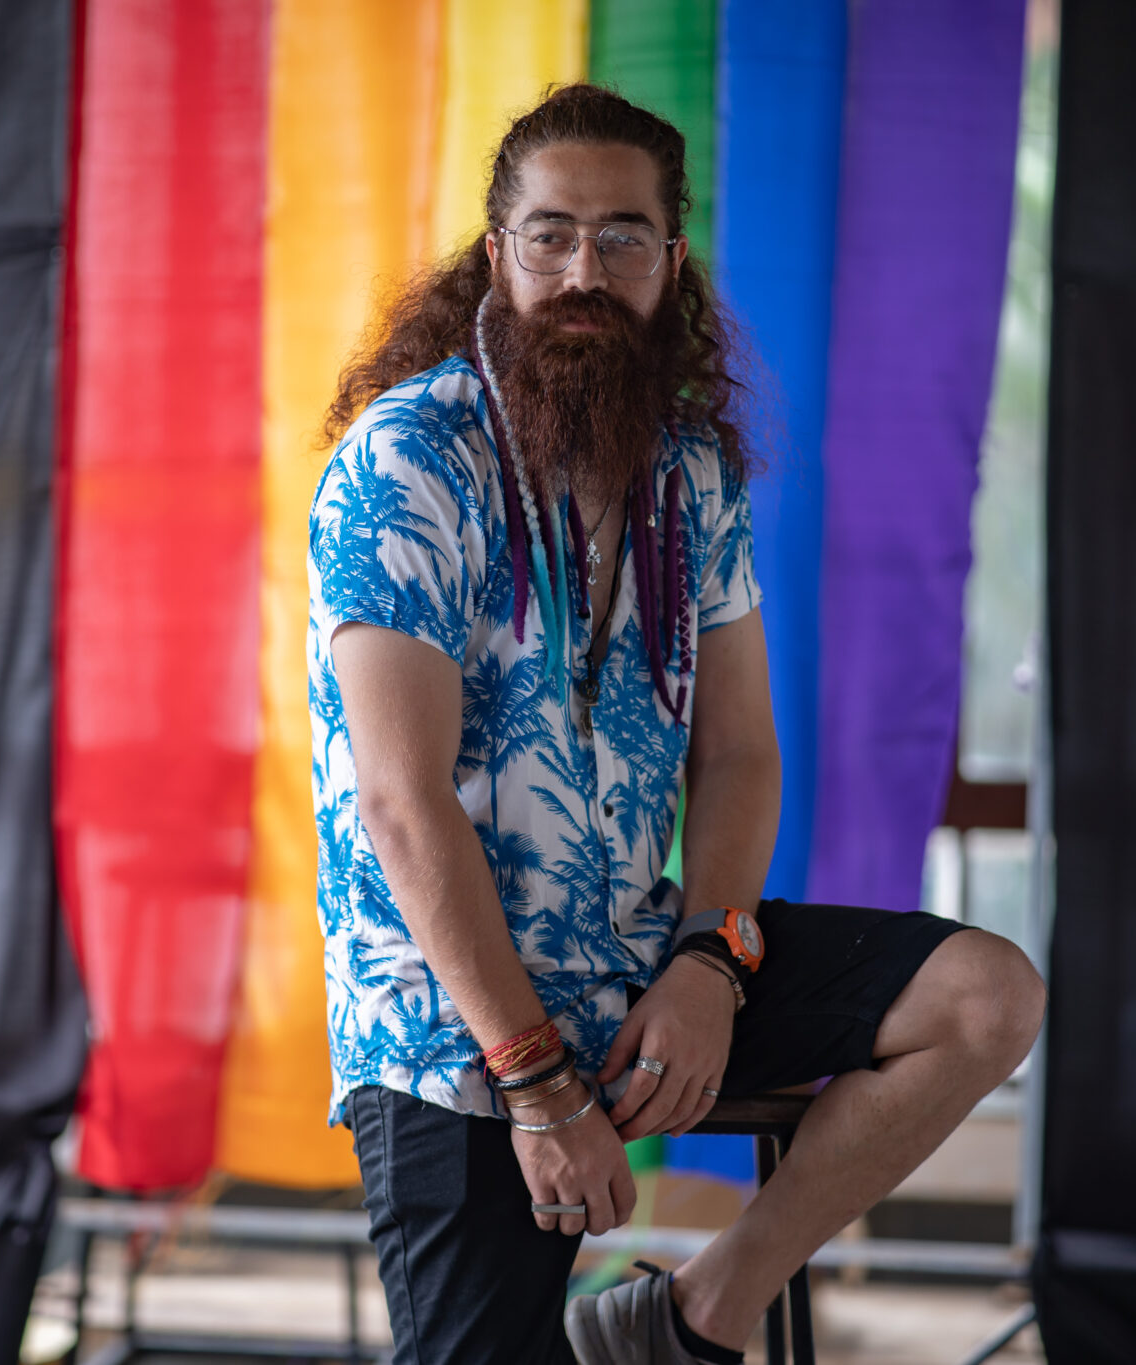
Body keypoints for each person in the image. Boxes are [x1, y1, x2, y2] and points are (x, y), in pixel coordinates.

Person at [307, 84, 1046, 1365]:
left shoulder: (689, 470)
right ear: (498, 252)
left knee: (984, 997)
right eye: (549, 235)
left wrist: (710, 957)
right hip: (453, 1018)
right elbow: (399, 806)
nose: (582, 271)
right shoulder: (409, 460)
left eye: (620, 237)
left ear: (670, 257)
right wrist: (537, 1084)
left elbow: (739, 752)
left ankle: (696, 1311)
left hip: (639, 961)